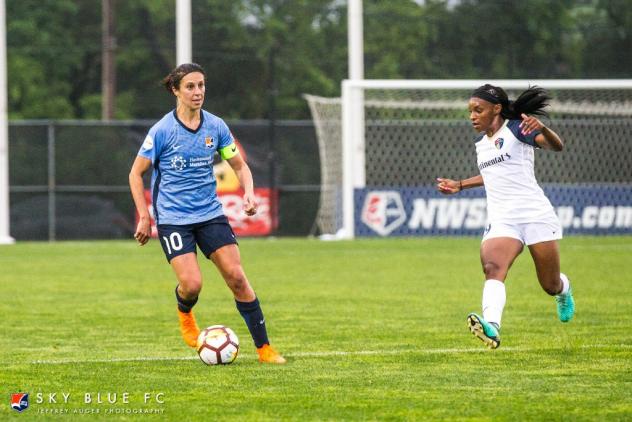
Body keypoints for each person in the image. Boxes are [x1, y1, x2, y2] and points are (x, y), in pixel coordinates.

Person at [129, 63, 285, 363]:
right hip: (174, 219)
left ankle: (265, 349)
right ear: (175, 90)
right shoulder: (162, 131)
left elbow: (239, 165)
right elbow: (136, 174)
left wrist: (249, 192)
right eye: (190, 86)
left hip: (210, 214)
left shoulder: (215, 127)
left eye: (201, 85)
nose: (198, 91)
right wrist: (144, 216)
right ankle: (185, 314)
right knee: (192, 285)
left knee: (237, 278)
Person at [436, 84, 575, 349]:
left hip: (534, 214)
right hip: (502, 219)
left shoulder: (516, 129)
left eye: (479, 110)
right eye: (470, 111)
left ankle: (564, 290)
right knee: (493, 268)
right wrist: (460, 185)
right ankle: (492, 327)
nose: (472, 116)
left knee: (549, 283)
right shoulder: (481, 146)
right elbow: (492, 175)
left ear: (496, 109)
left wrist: (543, 129)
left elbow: (557, 146)